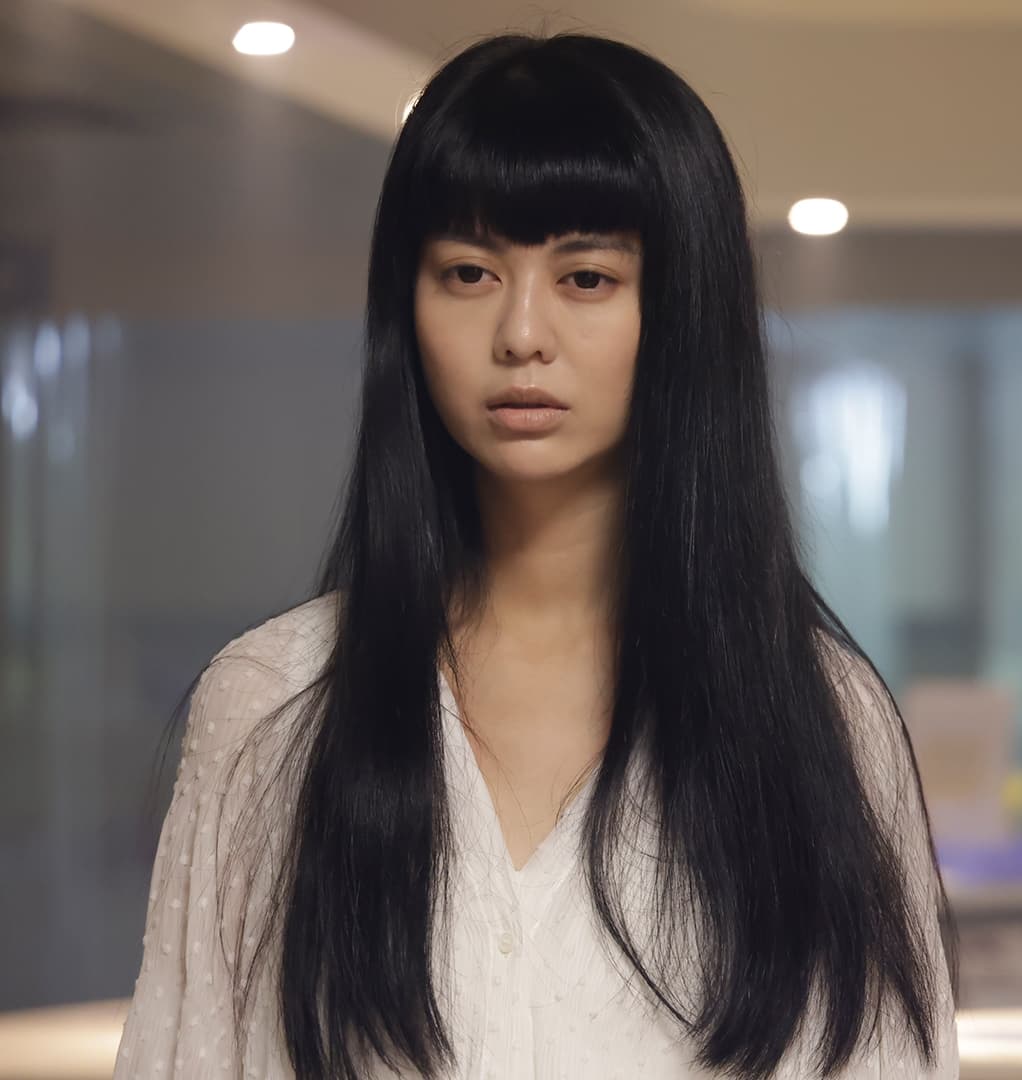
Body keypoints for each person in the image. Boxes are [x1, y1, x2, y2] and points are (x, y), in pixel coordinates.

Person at [115, 31, 955, 1080]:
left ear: (683, 310)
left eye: (586, 277)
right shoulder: (274, 701)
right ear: (406, 306)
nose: (521, 333)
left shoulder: (820, 721)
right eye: (468, 272)